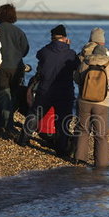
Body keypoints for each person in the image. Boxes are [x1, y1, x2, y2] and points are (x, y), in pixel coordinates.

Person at [18, 24, 78, 156]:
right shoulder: (71, 54)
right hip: (64, 92)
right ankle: (61, 149)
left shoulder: (45, 51)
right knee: (63, 120)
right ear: (65, 37)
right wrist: (67, 46)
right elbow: (76, 65)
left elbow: (39, 55)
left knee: (34, 114)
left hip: (45, 90)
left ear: (52, 38)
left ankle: (23, 139)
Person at [73, 41, 109, 168]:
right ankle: (101, 164)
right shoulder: (108, 65)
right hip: (102, 103)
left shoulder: (85, 63)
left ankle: (79, 160)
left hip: (84, 101)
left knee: (83, 130)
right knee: (100, 135)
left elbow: (76, 79)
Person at [0, 4, 29, 132]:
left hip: (0, 67)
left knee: (3, 94)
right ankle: (7, 123)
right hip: (16, 67)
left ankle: (2, 122)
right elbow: (25, 50)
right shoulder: (18, 31)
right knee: (12, 96)